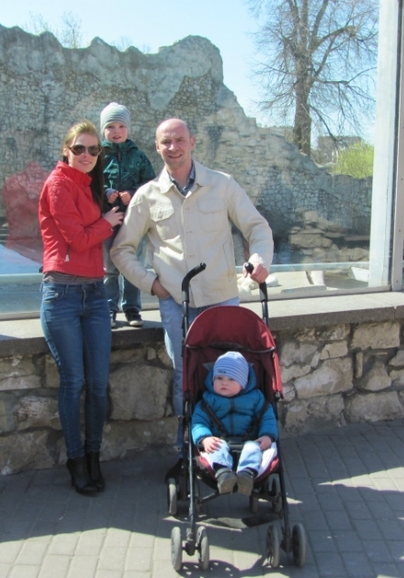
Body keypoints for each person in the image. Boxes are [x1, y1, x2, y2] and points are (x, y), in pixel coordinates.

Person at [110, 118, 274, 480]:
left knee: (233, 374)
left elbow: (256, 227)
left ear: (193, 142)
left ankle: (238, 453)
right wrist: (151, 283)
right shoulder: (148, 196)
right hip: (176, 303)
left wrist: (260, 259)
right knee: (186, 378)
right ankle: (190, 455)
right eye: (165, 142)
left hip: (222, 298)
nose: (173, 147)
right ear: (157, 147)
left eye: (179, 139)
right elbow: (122, 250)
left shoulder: (222, 184)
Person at [38, 120, 124, 495]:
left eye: (93, 150)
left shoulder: (89, 186)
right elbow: (79, 238)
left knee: (98, 384)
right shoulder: (58, 184)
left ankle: (93, 455)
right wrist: (107, 221)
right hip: (63, 295)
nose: (87, 155)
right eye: (79, 149)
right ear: (66, 150)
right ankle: (75, 459)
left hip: (95, 294)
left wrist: (111, 207)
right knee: (73, 383)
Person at [100, 102, 156, 329]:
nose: (116, 132)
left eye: (121, 126)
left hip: (135, 221)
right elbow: (89, 184)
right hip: (107, 220)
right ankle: (109, 309)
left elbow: (152, 185)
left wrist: (132, 194)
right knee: (109, 267)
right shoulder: (98, 155)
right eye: (110, 127)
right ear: (103, 130)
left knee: (133, 265)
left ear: (128, 129)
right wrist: (106, 192)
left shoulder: (139, 157)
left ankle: (132, 309)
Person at [191, 351, 278, 495]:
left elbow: (267, 417)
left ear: (243, 384)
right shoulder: (207, 401)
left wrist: (268, 435)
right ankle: (224, 474)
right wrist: (204, 438)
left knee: (253, 448)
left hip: (250, 440)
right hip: (219, 440)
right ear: (212, 380)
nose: (224, 382)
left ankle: (247, 475)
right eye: (219, 378)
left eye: (231, 379)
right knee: (216, 448)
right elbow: (198, 422)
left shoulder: (256, 398)